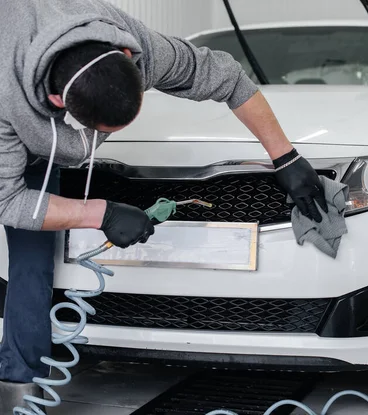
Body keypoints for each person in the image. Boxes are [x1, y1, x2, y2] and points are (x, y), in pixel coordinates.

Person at [0, 0, 327, 410]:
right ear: (57, 101)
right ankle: (18, 392)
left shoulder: (138, 45)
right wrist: (100, 213)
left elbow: (226, 76)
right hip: (11, 107)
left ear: (127, 58)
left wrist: (286, 156)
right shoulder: (4, 93)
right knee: (30, 258)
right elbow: (6, 198)